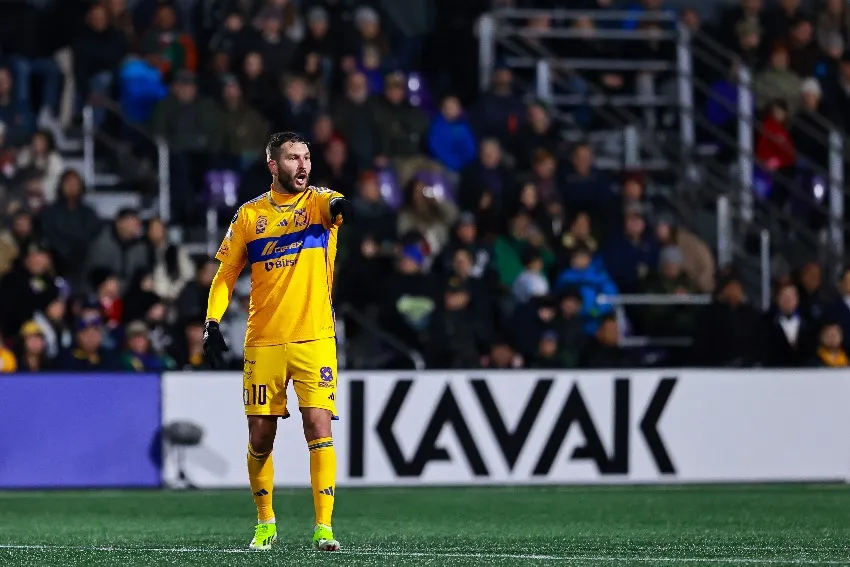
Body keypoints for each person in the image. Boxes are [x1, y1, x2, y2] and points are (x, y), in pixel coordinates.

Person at [202, 131, 353, 552]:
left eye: (306, 157)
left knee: (317, 424)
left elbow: (336, 205)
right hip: (264, 340)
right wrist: (212, 322)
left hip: (315, 336)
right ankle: (265, 521)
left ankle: (324, 527)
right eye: (292, 158)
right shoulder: (249, 217)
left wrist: (341, 207)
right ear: (273, 165)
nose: (302, 165)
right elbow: (226, 274)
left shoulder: (319, 203)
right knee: (260, 436)